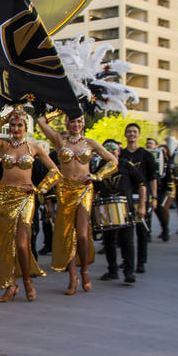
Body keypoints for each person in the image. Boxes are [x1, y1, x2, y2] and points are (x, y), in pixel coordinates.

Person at [35, 113, 116, 294]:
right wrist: (59, 107)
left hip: (84, 189)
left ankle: (85, 270)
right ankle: (73, 277)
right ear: (67, 122)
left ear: (83, 123)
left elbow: (113, 161)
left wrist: (97, 176)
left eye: (79, 121)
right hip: (65, 191)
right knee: (68, 236)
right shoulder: (59, 141)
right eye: (72, 120)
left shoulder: (90, 143)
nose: (76, 124)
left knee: (82, 236)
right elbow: (40, 121)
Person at [0, 108, 60, 302]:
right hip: (4, 196)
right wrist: (8, 115)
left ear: (26, 128)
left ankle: (27, 280)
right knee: (5, 244)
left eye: (19, 125)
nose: (16, 128)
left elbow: (54, 171)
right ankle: (10, 285)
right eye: (13, 125)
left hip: (26, 197)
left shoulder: (34, 148)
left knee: (21, 244)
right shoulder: (3, 147)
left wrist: (39, 189)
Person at [95, 140, 146, 284]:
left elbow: (141, 185)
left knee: (127, 241)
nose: (110, 152)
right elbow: (95, 188)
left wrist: (141, 206)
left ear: (119, 152)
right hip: (106, 209)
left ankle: (129, 272)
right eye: (107, 149)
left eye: (113, 149)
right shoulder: (100, 167)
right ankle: (112, 271)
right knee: (109, 242)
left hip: (125, 208)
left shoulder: (126, 165)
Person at [120, 123, 157, 272]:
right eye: (129, 132)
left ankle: (141, 262)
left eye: (134, 132)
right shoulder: (121, 154)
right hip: (125, 198)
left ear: (139, 135)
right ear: (125, 135)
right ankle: (127, 260)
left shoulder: (146, 155)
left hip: (142, 197)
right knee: (124, 232)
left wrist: (153, 197)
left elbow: (153, 178)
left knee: (141, 231)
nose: (132, 134)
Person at [148, 138, 172, 241]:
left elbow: (167, 174)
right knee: (147, 211)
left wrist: (169, 187)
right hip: (147, 187)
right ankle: (147, 233)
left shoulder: (161, 155)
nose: (149, 145)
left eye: (151, 143)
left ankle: (165, 230)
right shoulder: (145, 155)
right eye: (147, 143)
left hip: (159, 187)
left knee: (159, 210)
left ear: (156, 145)